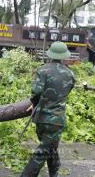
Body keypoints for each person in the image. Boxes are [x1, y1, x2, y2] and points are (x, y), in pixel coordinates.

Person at [20, 41, 76, 177]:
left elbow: (36, 91)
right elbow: (67, 91)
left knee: (50, 147)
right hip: (56, 120)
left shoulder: (42, 70)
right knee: (44, 151)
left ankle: (54, 173)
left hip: (41, 118)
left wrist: (34, 102)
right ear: (64, 56)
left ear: (50, 54)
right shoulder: (70, 74)